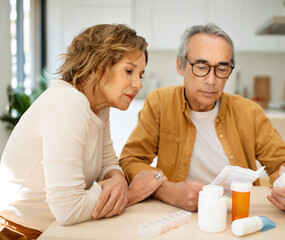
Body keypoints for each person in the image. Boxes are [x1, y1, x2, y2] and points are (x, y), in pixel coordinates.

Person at [119, 23, 285, 212]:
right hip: (178, 212)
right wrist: (168, 190)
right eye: (201, 67)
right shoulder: (160, 103)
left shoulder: (248, 112)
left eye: (222, 69)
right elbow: (130, 160)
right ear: (181, 66)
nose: (211, 80)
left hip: (239, 212)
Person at [0, 24, 167, 239]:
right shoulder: (69, 104)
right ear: (98, 66)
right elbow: (68, 210)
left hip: (52, 229)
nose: (138, 84)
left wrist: (116, 178)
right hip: (19, 232)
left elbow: (108, 162)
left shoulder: (99, 105)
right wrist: (130, 194)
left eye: (141, 75)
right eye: (129, 71)